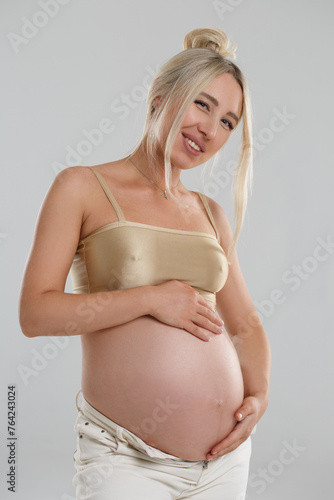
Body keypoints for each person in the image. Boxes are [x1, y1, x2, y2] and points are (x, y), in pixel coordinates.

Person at [19, 27, 271, 500]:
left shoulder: (210, 214)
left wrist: (258, 396)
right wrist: (151, 299)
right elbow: (35, 314)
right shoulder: (82, 186)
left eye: (228, 122)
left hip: (222, 463)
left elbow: (246, 323)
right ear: (160, 96)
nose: (210, 130)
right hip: (125, 459)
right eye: (202, 104)